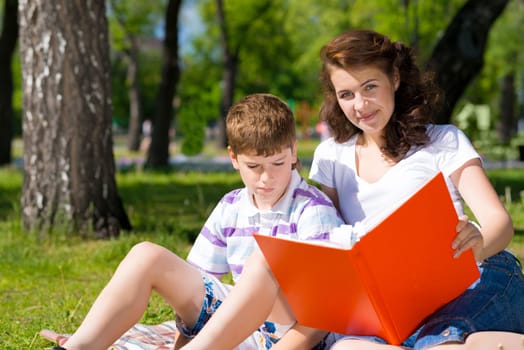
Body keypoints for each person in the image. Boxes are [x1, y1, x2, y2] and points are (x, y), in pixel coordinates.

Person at [181, 29, 524, 350]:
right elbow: (320, 247)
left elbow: (500, 223)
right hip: (387, 308)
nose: (360, 105)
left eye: (370, 87)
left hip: (466, 283)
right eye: (347, 94)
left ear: (395, 78)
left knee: (444, 338)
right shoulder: (333, 155)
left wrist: (477, 243)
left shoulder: (443, 141)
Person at [42, 93, 344, 350]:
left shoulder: (312, 210)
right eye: (254, 166)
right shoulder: (231, 206)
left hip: (288, 335)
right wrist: (180, 342)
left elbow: (323, 313)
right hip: (236, 328)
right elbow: (194, 286)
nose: (266, 177)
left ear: (293, 152)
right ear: (234, 158)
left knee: (266, 257)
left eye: (278, 163)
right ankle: (80, 345)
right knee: (146, 254)